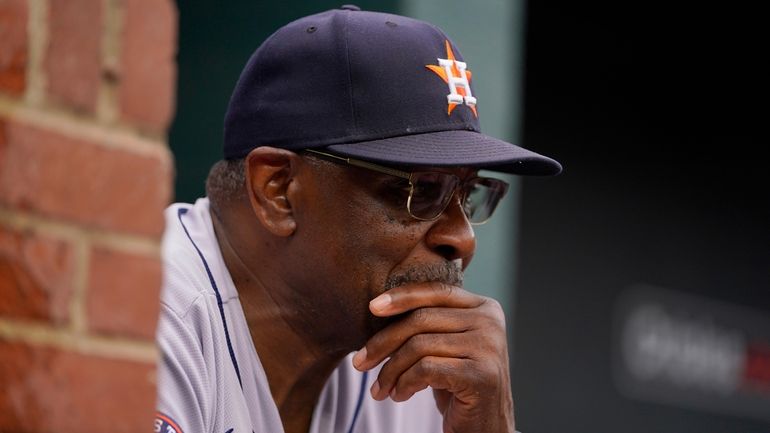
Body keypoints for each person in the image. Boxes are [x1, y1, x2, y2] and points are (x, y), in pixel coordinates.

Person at [154, 5, 561, 433]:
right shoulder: (143, 313)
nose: (462, 239)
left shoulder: (423, 364)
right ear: (278, 191)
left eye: (468, 193)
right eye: (422, 191)